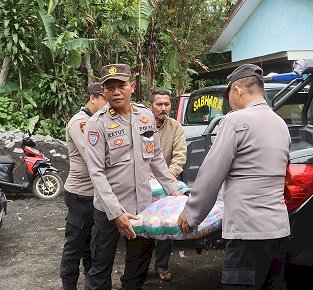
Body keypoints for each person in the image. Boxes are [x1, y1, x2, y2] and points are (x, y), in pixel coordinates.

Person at [177, 64, 291, 289]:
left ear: (238, 90)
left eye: (228, 94)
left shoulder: (235, 121)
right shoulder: (281, 124)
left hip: (246, 233)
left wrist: (191, 214)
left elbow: (211, 174)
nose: (229, 101)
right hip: (278, 231)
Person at [84, 64, 182, 290]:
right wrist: (117, 213)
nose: (116, 92)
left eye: (121, 86)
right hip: (109, 212)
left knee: (137, 269)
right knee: (100, 269)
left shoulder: (146, 117)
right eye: (110, 88)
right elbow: (96, 173)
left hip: (142, 209)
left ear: (132, 87)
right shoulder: (96, 124)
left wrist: (174, 191)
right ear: (104, 91)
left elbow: (156, 158)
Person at [60, 82, 107, 290]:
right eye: (105, 99)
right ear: (93, 98)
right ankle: (69, 284)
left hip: (95, 194)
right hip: (80, 194)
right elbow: (93, 157)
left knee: (92, 244)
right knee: (75, 244)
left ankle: (92, 283)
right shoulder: (80, 122)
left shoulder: (98, 121)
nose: (108, 105)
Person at [148, 89, 187, 281]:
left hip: (166, 184)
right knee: (143, 226)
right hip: (143, 184)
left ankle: (161, 266)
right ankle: (138, 269)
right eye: (159, 104)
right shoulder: (141, 125)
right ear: (151, 106)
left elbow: (180, 155)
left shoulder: (175, 127)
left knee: (164, 226)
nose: (164, 108)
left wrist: (168, 177)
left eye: (167, 104)